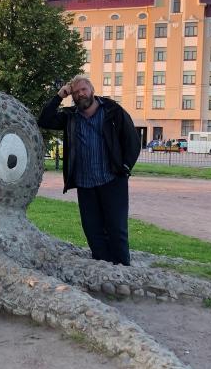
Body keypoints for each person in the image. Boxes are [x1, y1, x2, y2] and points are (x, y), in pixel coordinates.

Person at [39, 74, 140, 266]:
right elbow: (44, 120)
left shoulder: (112, 111)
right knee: (92, 229)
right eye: (76, 92)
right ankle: (102, 265)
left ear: (92, 90)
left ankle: (122, 268)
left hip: (112, 179)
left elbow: (132, 140)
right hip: (85, 183)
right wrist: (59, 96)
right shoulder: (70, 117)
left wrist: (125, 167)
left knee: (116, 227)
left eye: (83, 89)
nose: (80, 94)